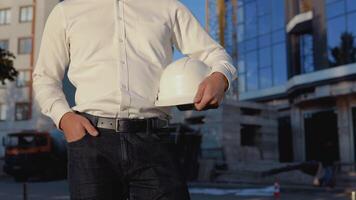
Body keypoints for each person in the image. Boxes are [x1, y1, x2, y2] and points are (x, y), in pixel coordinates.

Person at [32, 0, 237, 199]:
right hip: (91, 140)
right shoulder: (66, 11)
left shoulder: (167, 7)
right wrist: (64, 118)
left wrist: (220, 77)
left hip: (154, 140)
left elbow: (215, 54)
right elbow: (44, 78)